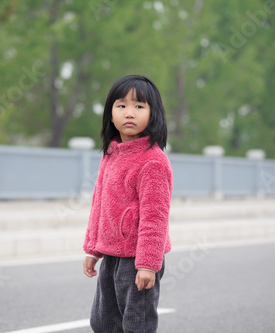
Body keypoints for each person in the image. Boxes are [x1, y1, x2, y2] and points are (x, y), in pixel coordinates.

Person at [83, 74, 173, 333]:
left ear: (153, 114)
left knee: (136, 324)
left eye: (139, 106)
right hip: (111, 254)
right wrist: (92, 249)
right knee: (103, 323)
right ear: (110, 114)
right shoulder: (110, 155)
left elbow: (155, 218)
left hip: (138, 258)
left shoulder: (152, 161)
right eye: (121, 106)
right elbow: (99, 204)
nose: (129, 113)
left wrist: (147, 264)